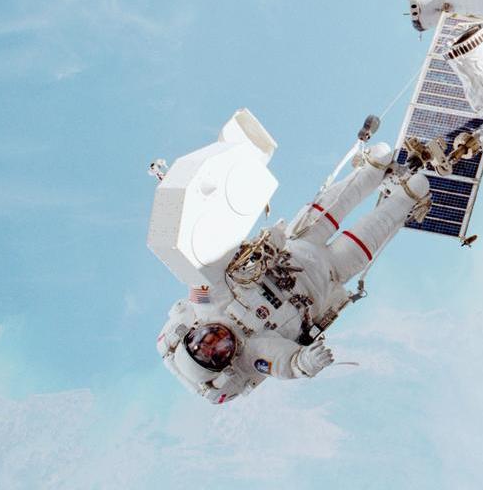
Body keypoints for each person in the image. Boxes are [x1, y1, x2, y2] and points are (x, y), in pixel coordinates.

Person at [156, 142, 430, 404]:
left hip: (300, 241)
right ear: (226, 362)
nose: (215, 341)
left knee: (355, 183)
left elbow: (202, 270)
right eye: (214, 352)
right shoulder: (254, 352)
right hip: (329, 275)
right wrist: (306, 363)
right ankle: (409, 196)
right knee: (398, 206)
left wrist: (189, 204)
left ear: (194, 331)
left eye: (203, 341)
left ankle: (373, 169)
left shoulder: (207, 305)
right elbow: (287, 363)